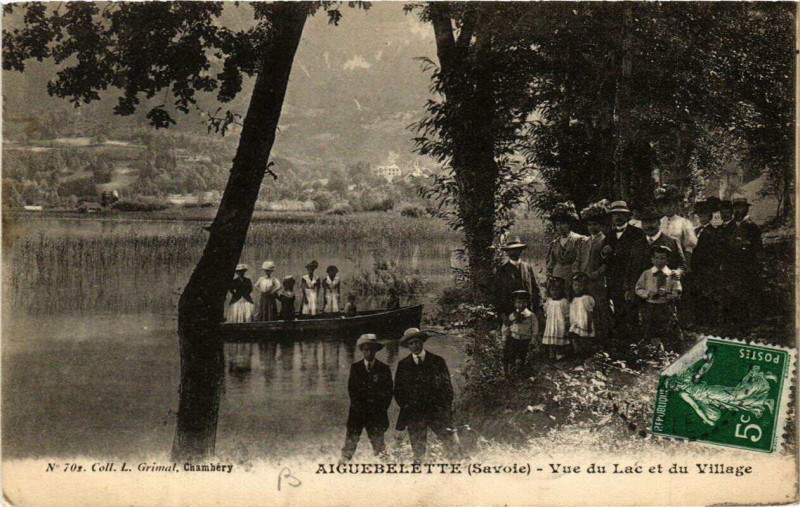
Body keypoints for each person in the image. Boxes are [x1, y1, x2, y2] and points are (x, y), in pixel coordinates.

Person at [394, 328, 461, 463]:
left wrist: (445, 408)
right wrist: (408, 407)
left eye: (417, 342)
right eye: (411, 343)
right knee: (418, 452)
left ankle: (458, 469)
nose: (415, 346)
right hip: (415, 413)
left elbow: (447, 388)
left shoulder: (437, 361)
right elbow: (398, 391)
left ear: (422, 342)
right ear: (408, 346)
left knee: (452, 444)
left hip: (436, 411)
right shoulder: (403, 365)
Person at [340, 334, 393, 463]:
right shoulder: (355, 368)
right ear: (362, 351)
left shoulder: (384, 369)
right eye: (366, 350)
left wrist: (379, 409)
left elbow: (388, 393)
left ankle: (384, 469)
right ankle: (342, 467)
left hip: (376, 414)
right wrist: (360, 407)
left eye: (371, 350)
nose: (368, 353)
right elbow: (352, 391)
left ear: (376, 351)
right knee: (350, 443)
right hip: (357, 413)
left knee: (379, 445)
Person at [601, 200, 646, 344]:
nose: (618, 217)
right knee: (618, 310)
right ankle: (621, 343)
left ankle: (636, 343)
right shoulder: (608, 235)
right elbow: (606, 260)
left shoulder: (637, 233)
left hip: (632, 279)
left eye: (621, 214)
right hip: (614, 280)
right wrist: (604, 254)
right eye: (615, 215)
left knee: (633, 310)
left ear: (628, 216)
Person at [721, 197, 763, 332]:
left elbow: (759, 249)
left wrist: (746, 245)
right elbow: (723, 247)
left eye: (741, 208)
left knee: (748, 294)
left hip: (747, 266)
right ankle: (734, 324)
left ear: (747, 209)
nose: (738, 210)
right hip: (731, 267)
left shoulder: (752, 227)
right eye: (736, 208)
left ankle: (749, 325)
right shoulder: (729, 227)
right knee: (732, 294)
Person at [634, 245, 683, 351]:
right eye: (656, 258)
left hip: (666, 306)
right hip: (650, 306)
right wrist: (647, 294)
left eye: (662, 258)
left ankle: (669, 350)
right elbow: (638, 288)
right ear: (651, 259)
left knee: (667, 328)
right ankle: (654, 350)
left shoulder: (672, 275)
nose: (659, 261)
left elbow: (678, 291)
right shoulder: (647, 273)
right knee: (650, 329)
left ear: (668, 260)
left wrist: (668, 294)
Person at [627, 209, 686, 288]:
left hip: (663, 290)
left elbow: (682, 265)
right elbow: (630, 267)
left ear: (659, 223)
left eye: (652, 222)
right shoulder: (637, 244)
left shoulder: (672, 242)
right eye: (645, 223)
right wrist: (627, 288)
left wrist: (678, 272)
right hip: (639, 290)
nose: (648, 226)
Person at [578, 199, 611, 341]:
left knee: (600, 309)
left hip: (598, 281)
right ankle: (588, 338)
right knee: (586, 309)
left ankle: (604, 338)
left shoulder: (605, 240)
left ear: (602, 225)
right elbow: (579, 259)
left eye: (595, 224)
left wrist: (595, 274)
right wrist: (579, 273)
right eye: (590, 225)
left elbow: (607, 263)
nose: (592, 227)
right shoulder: (585, 241)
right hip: (584, 280)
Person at [495, 236, 542, 325]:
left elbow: (535, 289)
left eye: (517, 249)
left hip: (527, 311)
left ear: (521, 250)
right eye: (511, 250)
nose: (515, 252)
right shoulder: (502, 270)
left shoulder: (527, 267)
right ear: (507, 252)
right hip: (509, 312)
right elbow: (498, 293)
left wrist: (538, 309)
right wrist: (503, 314)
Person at [691, 200, 722, 327]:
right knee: (698, 293)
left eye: (703, 215)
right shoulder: (695, 230)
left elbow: (716, 252)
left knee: (709, 293)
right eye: (699, 215)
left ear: (709, 216)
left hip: (708, 267)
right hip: (697, 267)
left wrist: (712, 266)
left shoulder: (713, 232)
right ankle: (700, 320)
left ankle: (712, 321)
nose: (701, 218)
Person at [545, 201, 586, 297]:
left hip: (572, 276)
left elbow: (582, 260)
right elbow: (550, 264)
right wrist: (548, 278)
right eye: (557, 224)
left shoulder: (579, 240)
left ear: (570, 224)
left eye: (563, 224)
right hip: (557, 277)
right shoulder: (554, 243)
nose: (560, 227)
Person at [502, 289, 539, 377]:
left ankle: (521, 371)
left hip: (525, 339)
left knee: (522, 355)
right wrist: (504, 337)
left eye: (523, 302)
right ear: (515, 303)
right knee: (511, 355)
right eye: (518, 302)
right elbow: (506, 326)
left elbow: (535, 328)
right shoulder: (512, 315)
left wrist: (533, 339)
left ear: (527, 303)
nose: (520, 305)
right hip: (514, 338)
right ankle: (510, 372)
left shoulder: (531, 315)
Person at [659, 187, 697, 269]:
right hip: (660, 260)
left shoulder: (684, 222)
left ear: (676, 206)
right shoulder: (659, 222)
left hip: (677, 260)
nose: (668, 208)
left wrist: (686, 264)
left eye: (671, 205)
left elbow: (689, 246)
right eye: (665, 206)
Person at [542, 277, 570, 360]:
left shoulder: (564, 301)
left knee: (559, 337)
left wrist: (567, 323)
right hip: (551, 323)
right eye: (552, 290)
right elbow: (546, 312)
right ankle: (551, 353)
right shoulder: (549, 301)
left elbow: (567, 314)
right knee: (551, 338)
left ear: (561, 290)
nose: (554, 292)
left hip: (560, 323)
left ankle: (559, 353)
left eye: (557, 290)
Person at [568, 272, 595, 355]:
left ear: (584, 286)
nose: (577, 288)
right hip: (575, 323)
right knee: (574, 338)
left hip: (584, 323)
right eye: (575, 285)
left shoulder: (586, 298)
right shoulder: (573, 299)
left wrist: (589, 324)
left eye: (580, 286)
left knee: (584, 339)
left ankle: (585, 355)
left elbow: (590, 313)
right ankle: (577, 355)